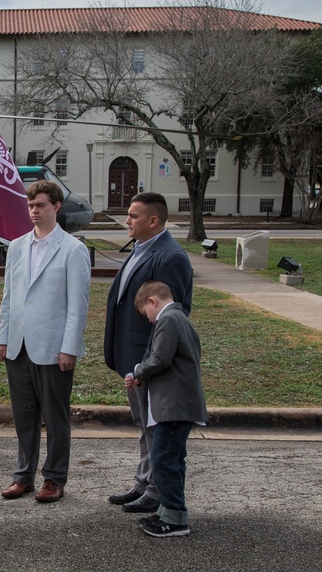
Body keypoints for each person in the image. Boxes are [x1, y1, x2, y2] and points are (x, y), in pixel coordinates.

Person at [0, 181, 91, 503]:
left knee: (55, 417)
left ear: (57, 206)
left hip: (53, 348)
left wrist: (69, 347)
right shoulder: (18, 246)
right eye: (31, 206)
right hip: (18, 345)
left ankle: (54, 478)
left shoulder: (73, 249)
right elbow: (9, 297)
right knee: (24, 416)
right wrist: (3, 337)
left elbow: (78, 305)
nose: (34, 211)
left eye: (41, 205)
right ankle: (23, 477)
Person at [104, 192, 193, 514]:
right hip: (134, 358)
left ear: (153, 221)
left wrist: (150, 363)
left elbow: (173, 317)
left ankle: (157, 490)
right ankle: (144, 482)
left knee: (156, 428)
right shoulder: (141, 249)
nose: (127, 221)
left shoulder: (170, 257)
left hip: (151, 363)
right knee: (144, 425)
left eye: (133, 216)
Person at [126, 281, 207, 537]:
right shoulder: (180, 318)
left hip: (174, 405)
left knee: (162, 459)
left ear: (152, 301)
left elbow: (160, 358)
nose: (148, 319)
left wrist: (138, 371)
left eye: (145, 312)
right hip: (180, 403)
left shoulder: (168, 319)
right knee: (172, 459)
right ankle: (168, 510)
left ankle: (175, 518)